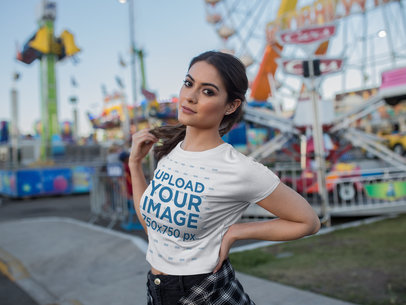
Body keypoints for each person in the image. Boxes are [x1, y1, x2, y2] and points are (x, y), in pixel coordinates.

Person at [129, 51, 320, 305]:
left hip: (206, 293)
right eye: (189, 83)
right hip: (158, 291)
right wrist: (134, 165)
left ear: (231, 106)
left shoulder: (239, 169)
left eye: (208, 91)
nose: (191, 96)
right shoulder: (171, 152)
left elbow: (308, 222)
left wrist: (237, 231)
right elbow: (154, 229)